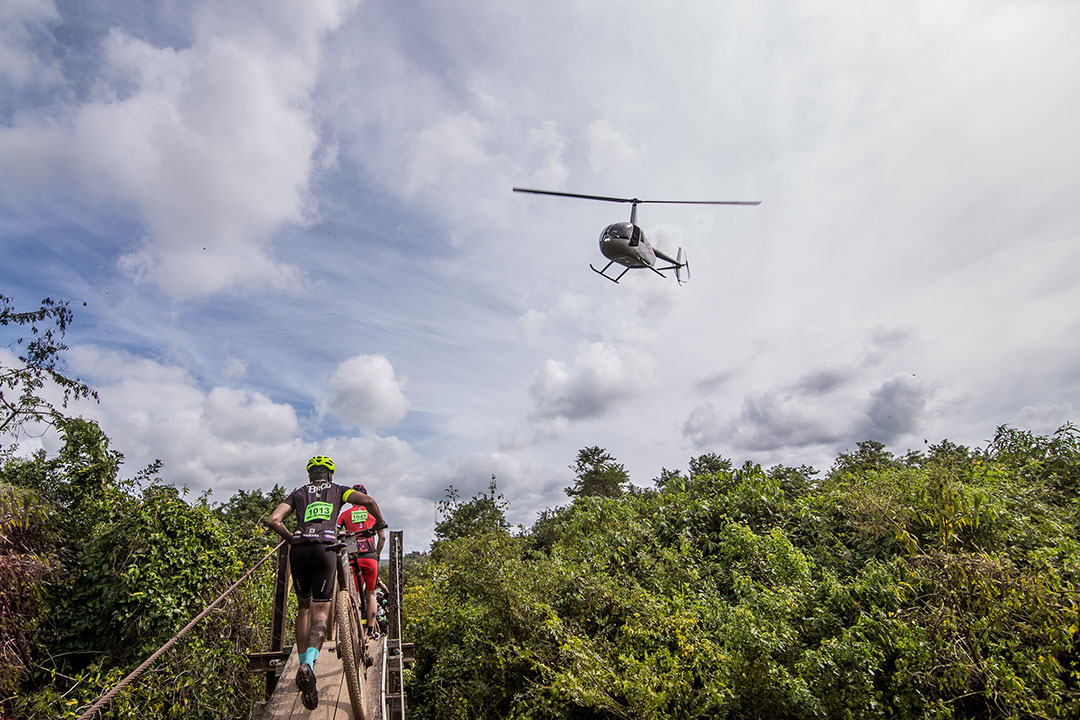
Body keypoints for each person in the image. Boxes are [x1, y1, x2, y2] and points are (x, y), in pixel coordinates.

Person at [268, 455, 387, 711]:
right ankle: (310, 664)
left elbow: (274, 520)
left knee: (304, 608)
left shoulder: (298, 493)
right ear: (330, 475)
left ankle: (301, 661)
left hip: (299, 550)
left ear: (309, 476)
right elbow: (368, 501)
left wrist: (292, 539)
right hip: (325, 548)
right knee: (322, 611)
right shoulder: (338, 490)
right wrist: (380, 522)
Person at [337, 483, 387, 639]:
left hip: (353, 558)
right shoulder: (372, 514)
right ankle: (371, 630)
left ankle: (356, 629)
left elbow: (336, 533)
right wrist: (377, 555)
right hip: (371, 556)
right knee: (371, 593)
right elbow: (383, 537)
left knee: (355, 595)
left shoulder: (345, 515)